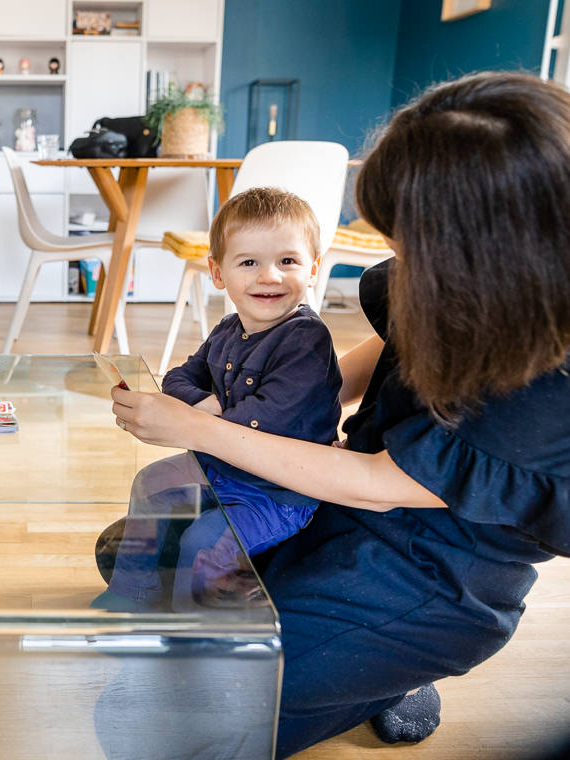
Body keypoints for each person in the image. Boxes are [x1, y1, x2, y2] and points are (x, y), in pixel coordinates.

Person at [109, 71, 570, 757]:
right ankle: (353, 669)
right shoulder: (446, 282)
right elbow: (371, 357)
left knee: (170, 718)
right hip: (338, 495)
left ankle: (395, 671)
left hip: (429, 572)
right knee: (139, 548)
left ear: (490, 257)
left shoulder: (548, 391)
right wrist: (295, 388)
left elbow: (379, 484)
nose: (398, 259)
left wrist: (203, 429)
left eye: (411, 243)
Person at [94, 187, 341, 611]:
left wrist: (200, 420)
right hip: (222, 466)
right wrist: (203, 405)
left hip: (278, 493)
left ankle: (195, 632)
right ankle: (130, 597)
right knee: (149, 484)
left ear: (313, 268)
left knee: (204, 541)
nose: (270, 276)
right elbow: (178, 376)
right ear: (218, 272)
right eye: (249, 263)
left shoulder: (306, 339)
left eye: (288, 261)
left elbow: (270, 417)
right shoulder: (228, 327)